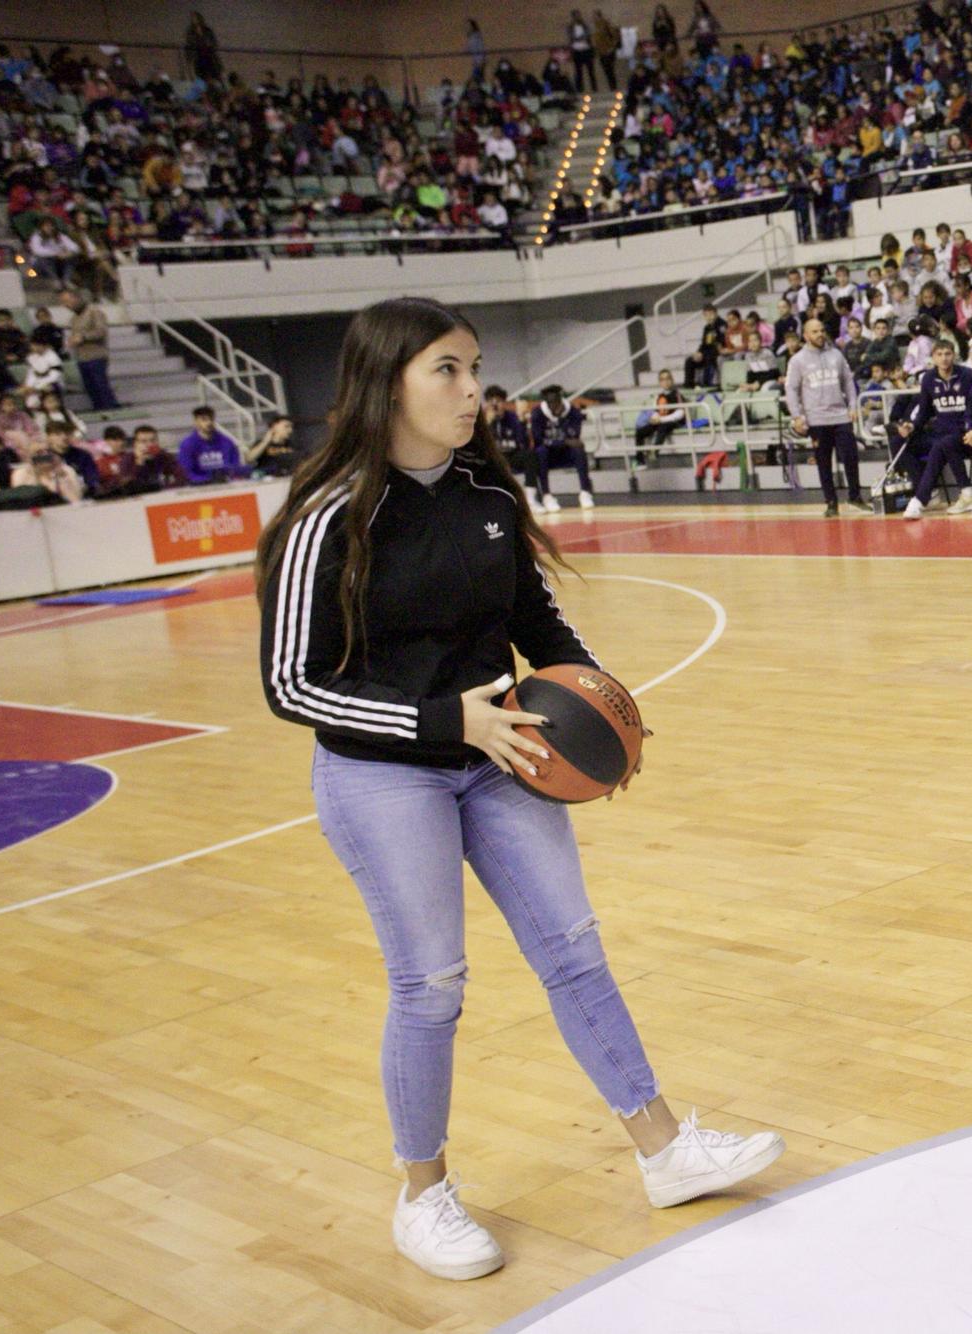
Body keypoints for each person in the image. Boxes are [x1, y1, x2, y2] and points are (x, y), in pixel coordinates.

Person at [255, 297, 782, 1283]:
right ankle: (423, 1194)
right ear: (388, 384)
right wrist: (443, 720)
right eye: (446, 371)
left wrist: (608, 713)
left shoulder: (486, 499)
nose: (471, 390)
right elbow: (291, 684)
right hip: (382, 772)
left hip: (501, 757)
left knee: (574, 952)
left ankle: (665, 1148)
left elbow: (539, 628)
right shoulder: (323, 516)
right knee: (431, 985)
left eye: (474, 368)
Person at [786, 315, 873, 517]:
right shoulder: (797, 360)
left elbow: (848, 382)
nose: (820, 334)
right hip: (816, 419)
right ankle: (831, 502)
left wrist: (852, 406)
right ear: (806, 335)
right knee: (823, 462)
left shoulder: (836, 355)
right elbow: (791, 389)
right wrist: (797, 416)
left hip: (841, 416)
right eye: (815, 331)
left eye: (822, 330)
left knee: (851, 457)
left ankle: (855, 497)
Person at [896, 339, 972, 519]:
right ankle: (942, 492)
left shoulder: (969, 376)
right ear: (933, 357)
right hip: (940, 433)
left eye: (947, 354)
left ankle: (919, 500)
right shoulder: (929, 379)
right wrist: (912, 425)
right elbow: (924, 411)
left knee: (943, 445)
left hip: (965, 433)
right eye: (939, 354)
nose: (944, 358)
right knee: (900, 442)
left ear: (954, 355)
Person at [527, 385, 596, 511]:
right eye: (550, 403)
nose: (554, 405)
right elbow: (538, 440)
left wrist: (560, 420)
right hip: (548, 456)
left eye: (556, 402)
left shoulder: (573, 412)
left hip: (565, 454)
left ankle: (585, 492)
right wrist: (563, 441)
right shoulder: (537, 413)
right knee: (540, 452)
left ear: (561, 400)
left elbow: (575, 437)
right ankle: (547, 496)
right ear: (546, 403)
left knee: (579, 450)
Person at [62, 289, 119, 412]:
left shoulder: (94, 312)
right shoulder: (73, 319)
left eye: (68, 301)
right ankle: (99, 410)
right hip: (81, 357)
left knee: (101, 386)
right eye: (64, 302)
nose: (66, 305)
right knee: (90, 388)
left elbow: (101, 331)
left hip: (96, 356)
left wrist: (83, 337)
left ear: (76, 298)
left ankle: (111, 410)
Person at [177, 406, 252, 484]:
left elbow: (235, 466)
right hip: (199, 487)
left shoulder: (227, 442)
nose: (209, 423)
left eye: (211, 419)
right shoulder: (187, 445)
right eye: (204, 420)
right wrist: (206, 480)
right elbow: (187, 472)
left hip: (225, 484)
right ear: (196, 422)